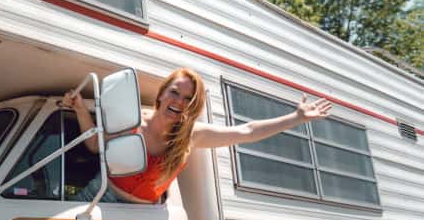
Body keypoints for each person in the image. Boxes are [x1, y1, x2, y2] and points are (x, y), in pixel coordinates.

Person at [61, 67, 332, 204]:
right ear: (162, 94)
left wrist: (296, 117)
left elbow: (246, 131)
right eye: (175, 93)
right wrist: (81, 110)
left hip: (145, 214)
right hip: (101, 197)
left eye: (188, 98)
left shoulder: (191, 136)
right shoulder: (131, 120)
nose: (179, 101)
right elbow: (95, 145)